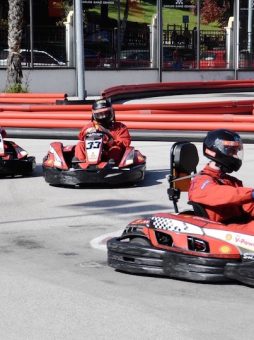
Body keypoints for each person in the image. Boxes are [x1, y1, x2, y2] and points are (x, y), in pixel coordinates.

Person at [188, 129, 254, 224]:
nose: (235, 155)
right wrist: (250, 193)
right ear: (217, 150)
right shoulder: (201, 181)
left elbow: (248, 206)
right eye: (232, 151)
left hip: (240, 226)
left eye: (236, 151)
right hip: (224, 229)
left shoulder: (230, 181)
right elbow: (220, 194)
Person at [74, 98, 131, 166]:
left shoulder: (120, 127)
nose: (103, 116)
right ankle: (81, 165)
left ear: (112, 112)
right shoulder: (91, 126)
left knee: (115, 149)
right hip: (93, 151)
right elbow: (81, 136)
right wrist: (87, 132)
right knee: (80, 145)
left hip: (110, 153)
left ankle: (111, 166)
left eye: (106, 113)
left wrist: (111, 141)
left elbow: (125, 142)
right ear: (94, 115)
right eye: (100, 114)